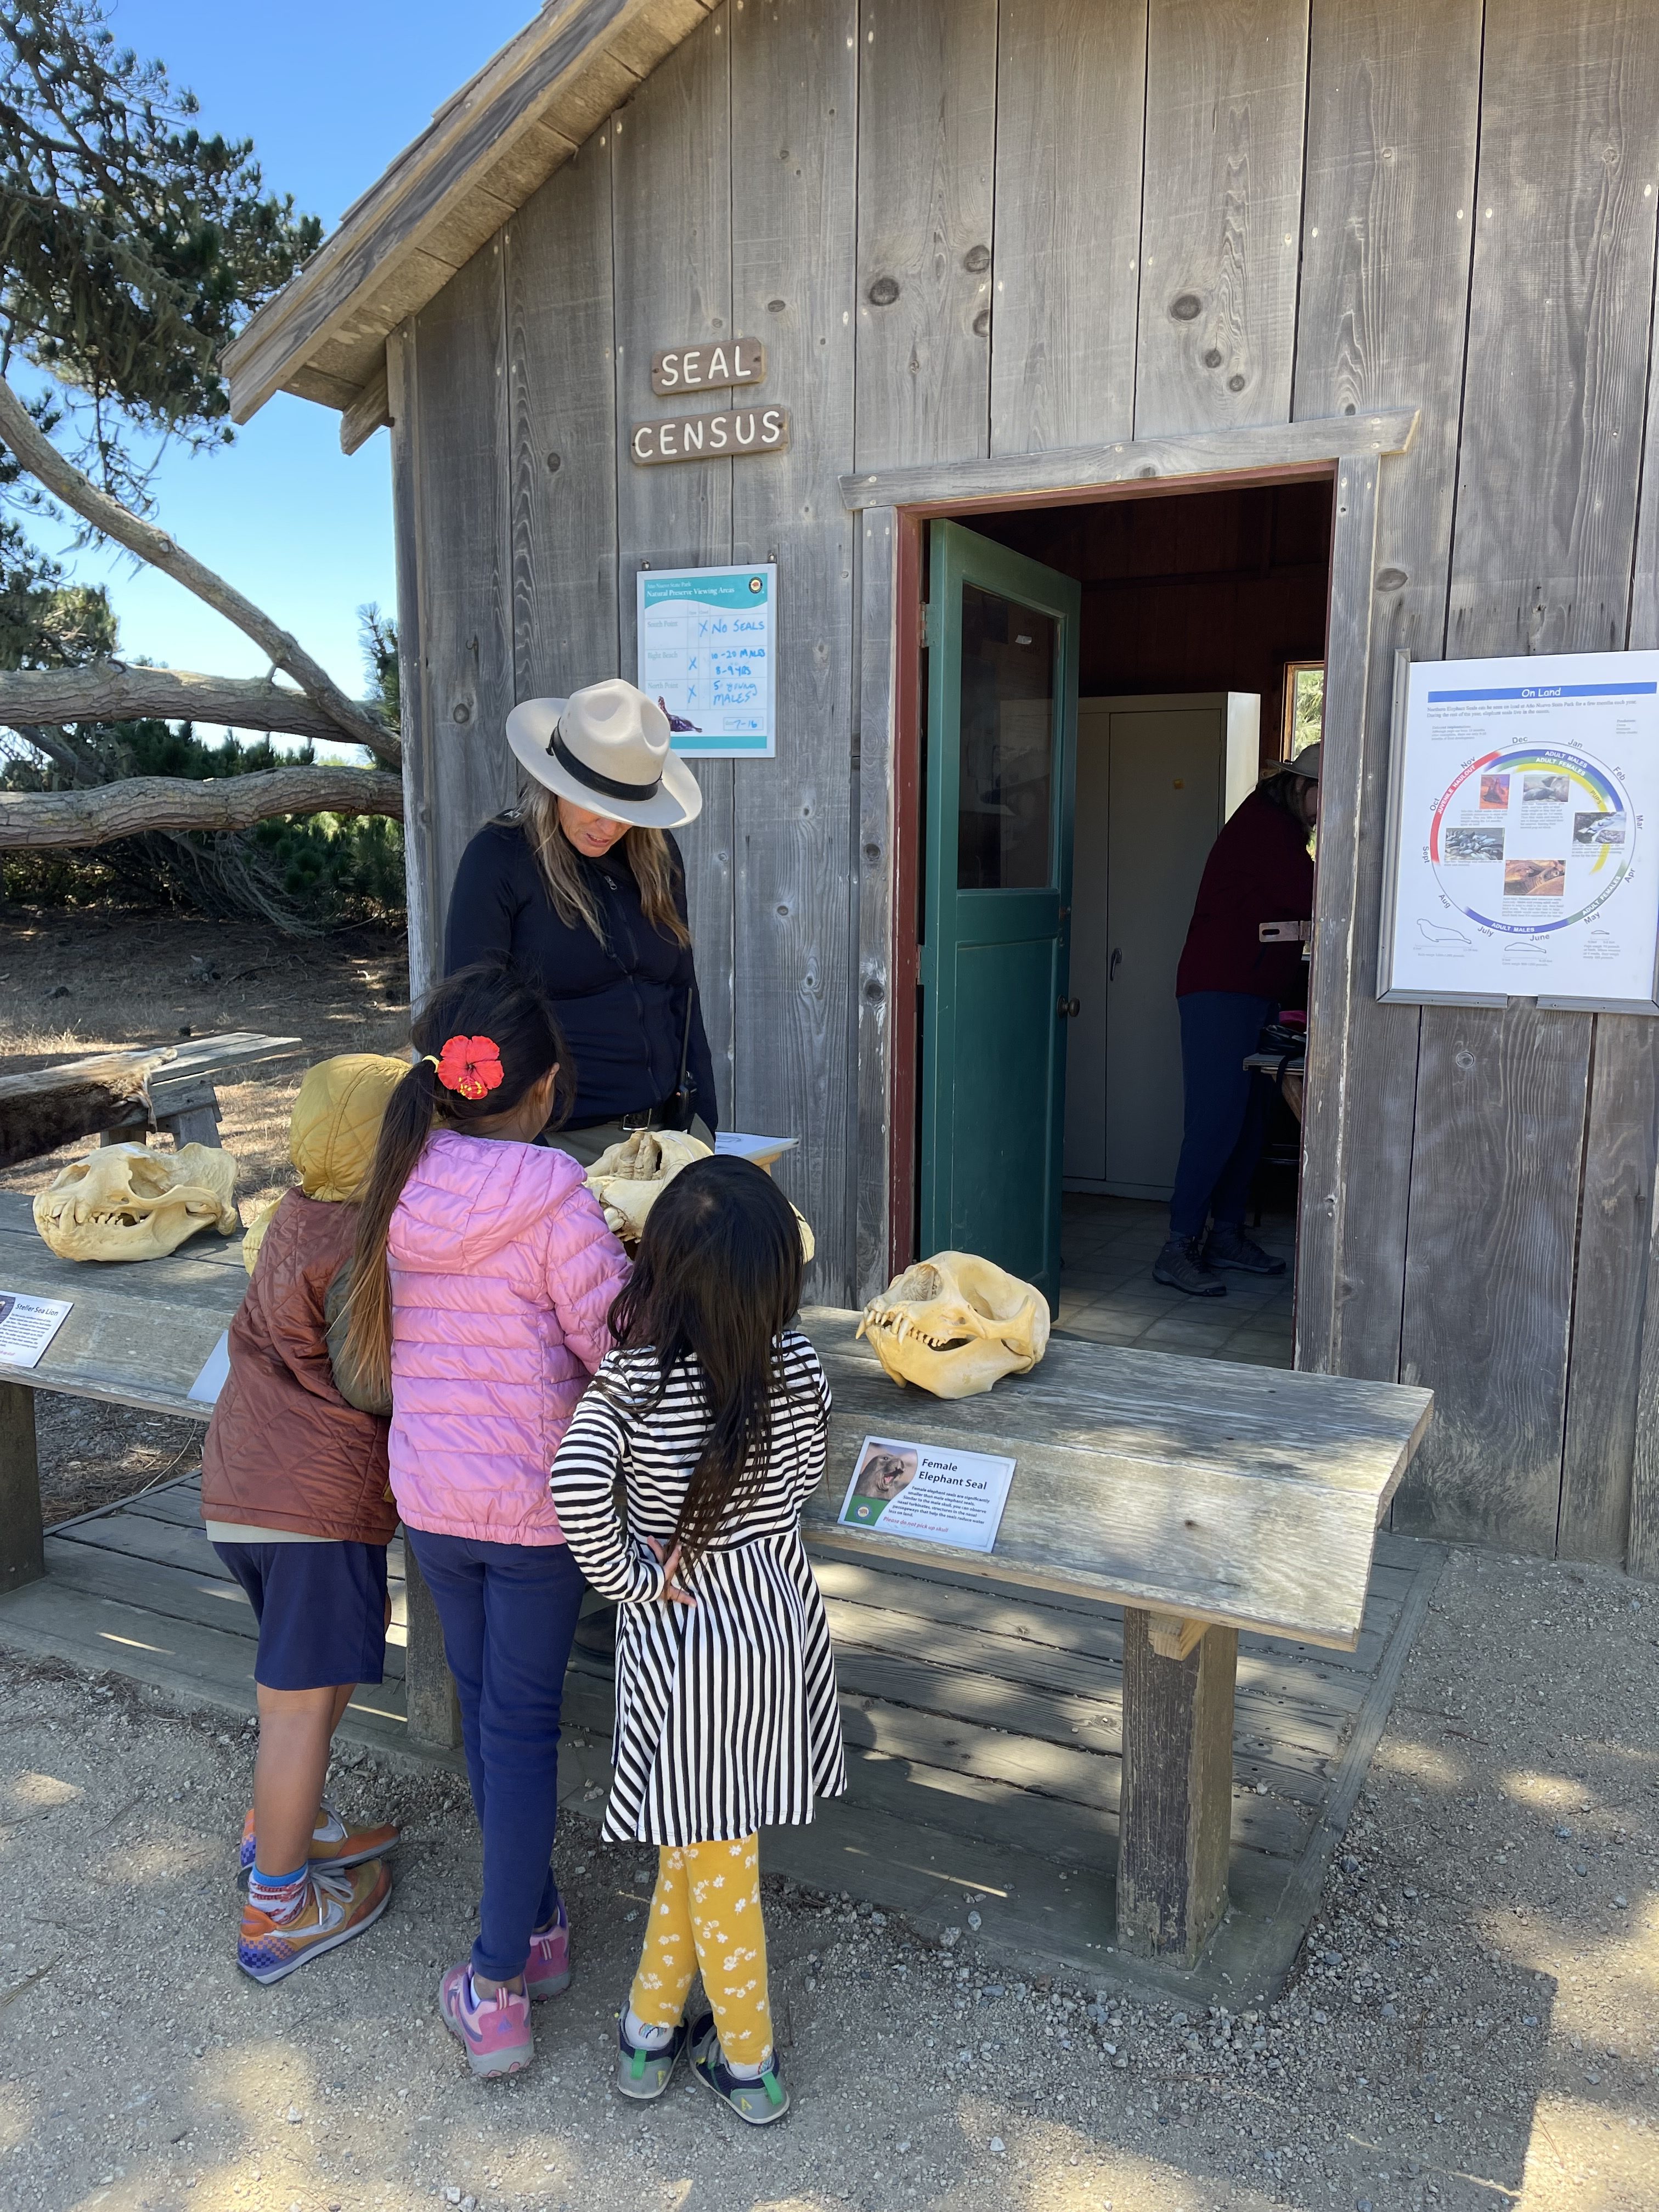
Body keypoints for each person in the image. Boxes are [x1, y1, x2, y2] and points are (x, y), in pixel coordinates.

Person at [341, 962, 629, 2077]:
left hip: (434, 1500)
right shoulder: (553, 1191)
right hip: (533, 1509)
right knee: (516, 1730)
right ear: (546, 1089)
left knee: (485, 1717)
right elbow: (609, 1344)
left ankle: (541, 1926)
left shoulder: (400, 1173)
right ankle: (502, 1978)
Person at [549, 1157, 846, 2128]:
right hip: (770, 1617)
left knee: (710, 1842)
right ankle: (646, 2027)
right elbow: (804, 1470)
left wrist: (633, 1576)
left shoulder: (631, 1387)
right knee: (708, 1837)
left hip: (680, 1638)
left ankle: (747, 2059)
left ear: (657, 1269)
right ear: (777, 1280)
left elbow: (574, 1487)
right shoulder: (798, 1363)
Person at [201, 1052, 409, 1985]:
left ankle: (294, 1822)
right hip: (316, 1507)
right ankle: (277, 1907)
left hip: (243, 1488)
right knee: (293, 1708)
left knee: (310, 1682)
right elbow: (367, 1381)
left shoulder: (293, 1213)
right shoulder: (365, 1243)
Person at [445, 678, 718, 1166]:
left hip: (670, 1135)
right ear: (554, 782)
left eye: (626, 809)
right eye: (592, 804)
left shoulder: (658, 858)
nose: (608, 827)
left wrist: (704, 1124)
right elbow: (468, 1020)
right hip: (560, 1145)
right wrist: (522, 1148)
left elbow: (684, 994)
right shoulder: (500, 858)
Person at [1154, 744, 1321, 1298]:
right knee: (1217, 1120)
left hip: (1253, 991)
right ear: (1301, 788)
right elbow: (1319, 894)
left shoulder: (1278, 828)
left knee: (1249, 1121)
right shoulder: (1266, 830)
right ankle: (1177, 1246)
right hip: (1220, 991)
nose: (1327, 814)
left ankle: (1225, 1236)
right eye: (1326, 799)